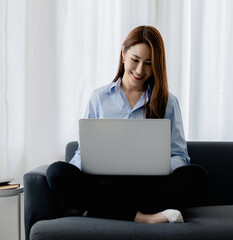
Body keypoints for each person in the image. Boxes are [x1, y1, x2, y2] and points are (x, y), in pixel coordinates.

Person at [46, 26, 207, 224]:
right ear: (123, 53)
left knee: (195, 176)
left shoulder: (168, 102)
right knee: (57, 172)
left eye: (148, 63)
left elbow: (180, 156)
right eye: (135, 60)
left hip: (149, 186)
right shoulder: (99, 98)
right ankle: (145, 218)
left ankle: (103, 208)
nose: (140, 70)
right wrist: (80, 170)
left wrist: (157, 165)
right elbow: (83, 151)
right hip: (107, 182)